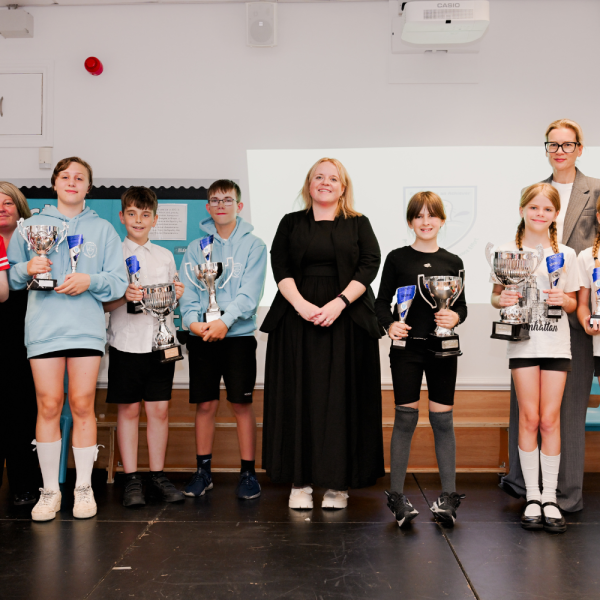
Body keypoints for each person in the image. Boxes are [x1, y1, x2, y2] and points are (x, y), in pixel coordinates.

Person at [7, 157, 128, 521]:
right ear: (55, 183)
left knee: (82, 404)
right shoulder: (31, 227)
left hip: (86, 329)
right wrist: (27, 267)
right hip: (43, 329)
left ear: (88, 186)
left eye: (79, 177)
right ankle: (49, 492)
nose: (72, 182)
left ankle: (83, 489)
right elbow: (12, 278)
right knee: (47, 405)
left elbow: (118, 281)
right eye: (65, 176)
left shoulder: (103, 230)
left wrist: (90, 281)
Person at [260, 158, 385, 510]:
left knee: (341, 401)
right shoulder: (290, 222)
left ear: (343, 188)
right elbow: (280, 265)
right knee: (299, 398)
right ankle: (299, 482)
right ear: (308, 184)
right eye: (319, 177)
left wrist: (339, 303)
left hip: (347, 320)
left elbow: (370, 264)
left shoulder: (359, 223)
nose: (325, 182)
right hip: (296, 320)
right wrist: (301, 305)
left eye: (333, 178)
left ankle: (337, 485)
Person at [501, 119, 600, 513]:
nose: (560, 151)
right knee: (528, 413)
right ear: (546, 149)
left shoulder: (596, 189)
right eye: (553, 144)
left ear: (579, 148)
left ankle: (564, 494)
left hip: (578, 313)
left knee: (566, 412)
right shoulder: (537, 193)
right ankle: (527, 488)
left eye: (567, 144)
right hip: (530, 324)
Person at [374, 191, 467, 527]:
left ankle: (449, 497)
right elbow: (380, 302)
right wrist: (390, 324)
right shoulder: (397, 258)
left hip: (442, 350)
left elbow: (462, 306)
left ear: (442, 220)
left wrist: (455, 317)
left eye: (432, 215)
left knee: (443, 421)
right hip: (407, 351)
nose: (425, 222)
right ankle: (397, 497)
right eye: (418, 216)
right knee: (405, 420)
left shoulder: (454, 261)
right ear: (410, 221)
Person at [492, 183, 579, 534]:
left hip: (556, 344)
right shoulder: (506, 251)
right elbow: (496, 297)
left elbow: (573, 302)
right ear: (522, 210)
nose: (539, 214)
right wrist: (503, 299)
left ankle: (550, 498)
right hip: (523, 344)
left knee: (549, 420)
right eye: (533, 207)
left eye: (547, 209)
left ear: (555, 215)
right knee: (528, 419)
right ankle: (531, 496)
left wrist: (563, 299)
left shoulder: (567, 254)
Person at [179, 179, 267, 500]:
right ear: (208, 207)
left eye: (227, 200)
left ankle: (248, 474)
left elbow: (250, 294)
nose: (221, 205)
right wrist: (193, 323)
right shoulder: (196, 247)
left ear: (239, 206)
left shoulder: (254, 245)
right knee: (206, 404)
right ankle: (203, 472)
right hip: (203, 336)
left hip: (238, 337)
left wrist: (225, 323)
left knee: (241, 404)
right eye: (215, 200)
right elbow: (188, 292)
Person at [103, 187, 185, 507]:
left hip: (162, 345)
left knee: (159, 410)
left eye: (145, 214)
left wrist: (176, 293)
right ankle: (131, 478)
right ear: (122, 217)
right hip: (126, 344)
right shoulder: (112, 256)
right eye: (132, 213)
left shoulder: (165, 256)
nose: (139, 220)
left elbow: (169, 301)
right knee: (129, 411)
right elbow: (103, 304)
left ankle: (157, 476)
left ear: (155, 219)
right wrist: (124, 296)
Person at [0, 183, 40, 507]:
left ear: (20, 207)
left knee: (24, 410)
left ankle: (24, 484)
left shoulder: (36, 241)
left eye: (8, 202)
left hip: (28, 337)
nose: (2, 208)